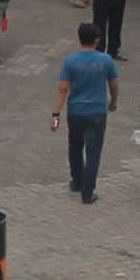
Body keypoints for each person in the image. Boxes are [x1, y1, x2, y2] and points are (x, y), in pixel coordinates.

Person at [52, 31, 119, 202]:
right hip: (97, 112)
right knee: (93, 152)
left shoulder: (71, 61)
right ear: (97, 40)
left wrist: (56, 114)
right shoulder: (106, 60)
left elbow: (62, 89)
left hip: (75, 112)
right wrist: (113, 101)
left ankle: (77, 181)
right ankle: (88, 193)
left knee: (75, 146)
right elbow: (114, 84)